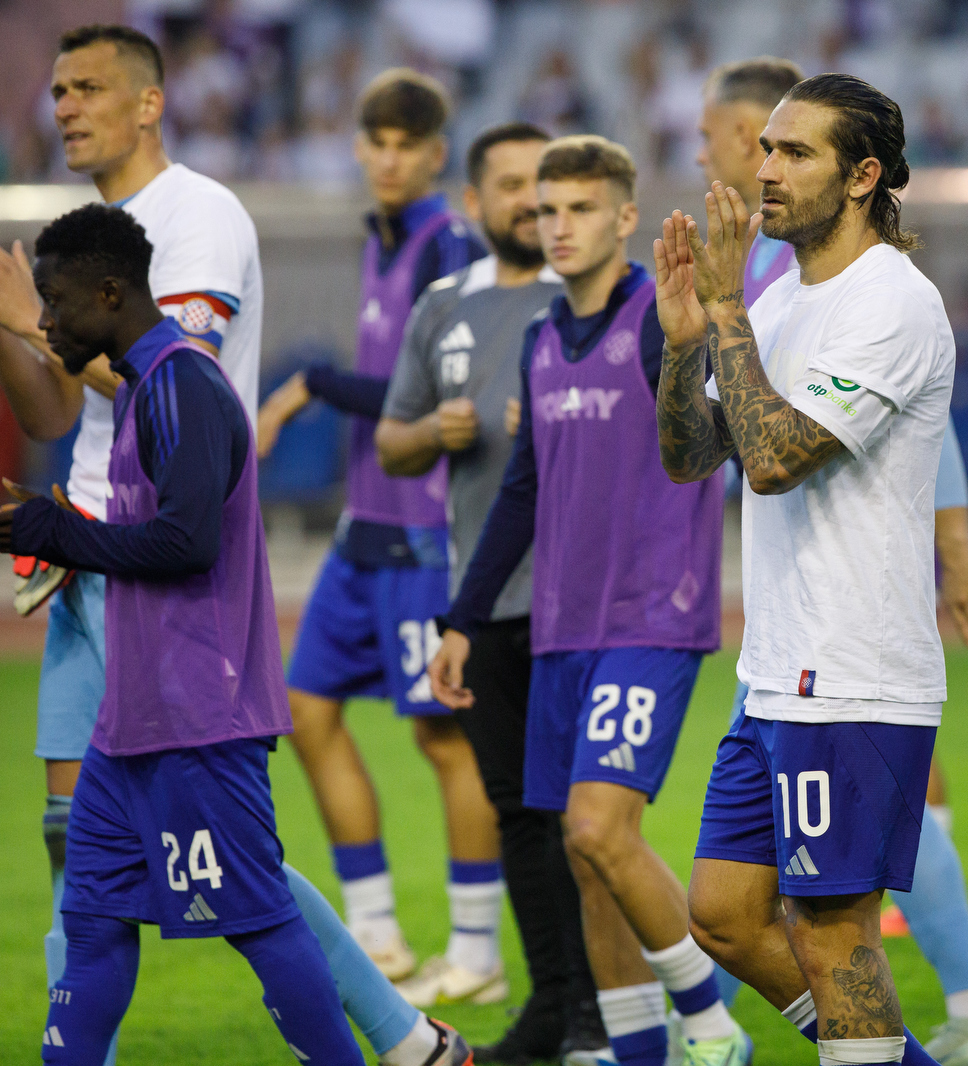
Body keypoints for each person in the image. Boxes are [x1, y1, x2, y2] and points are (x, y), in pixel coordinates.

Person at [0, 27, 458, 1066]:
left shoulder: (194, 216)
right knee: (80, 841)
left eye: (86, 88)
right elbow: (49, 404)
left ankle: (394, 1035)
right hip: (80, 563)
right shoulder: (94, 231)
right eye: (57, 87)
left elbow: (171, 383)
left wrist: (25, 305)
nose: (62, 105)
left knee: (223, 847)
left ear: (151, 102)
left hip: (157, 577)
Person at [0, 203, 367, 1066]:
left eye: (55, 299)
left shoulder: (183, 381)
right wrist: (56, 528)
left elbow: (188, 543)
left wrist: (57, 533)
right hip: (132, 717)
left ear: (110, 292)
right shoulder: (149, 389)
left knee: (257, 920)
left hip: (201, 716)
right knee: (94, 919)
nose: (44, 321)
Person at [698, 56, 968, 1066]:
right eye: (765, 149)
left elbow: (776, 458)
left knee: (834, 935)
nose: (768, 170)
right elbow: (687, 454)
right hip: (772, 674)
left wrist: (720, 316)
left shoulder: (891, 301)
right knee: (723, 915)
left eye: (794, 152)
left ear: (862, 175)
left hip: (851, 675)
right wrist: (680, 340)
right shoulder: (785, 301)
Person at [427, 135, 747, 1066]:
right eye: (544, 210)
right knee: (586, 856)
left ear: (623, 217)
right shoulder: (537, 342)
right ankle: (634, 1051)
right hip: (561, 627)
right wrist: (463, 618)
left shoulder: (657, 319)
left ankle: (713, 1025)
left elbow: (708, 436)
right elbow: (522, 490)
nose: (554, 225)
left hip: (651, 613)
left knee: (600, 828)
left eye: (576, 208)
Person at [256, 69, 502, 996]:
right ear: (360, 150)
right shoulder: (383, 242)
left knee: (444, 739)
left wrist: (310, 383)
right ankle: (378, 936)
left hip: (423, 536)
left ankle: (475, 952)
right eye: (378, 142)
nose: (391, 158)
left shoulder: (448, 248)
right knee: (308, 712)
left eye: (409, 144)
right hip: (365, 530)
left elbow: (438, 397)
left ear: (437, 155)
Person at [375, 122, 609, 1064]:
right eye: (513, 187)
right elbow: (392, 441)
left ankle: (625, 1007)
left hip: (584, 606)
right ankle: (557, 1004)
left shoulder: (592, 301)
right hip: (485, 597)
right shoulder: (443, 304)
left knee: (590, 823)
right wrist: (437, 427)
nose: (530, 204)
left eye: (547, 189)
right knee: (518, 815)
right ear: (474, 203)